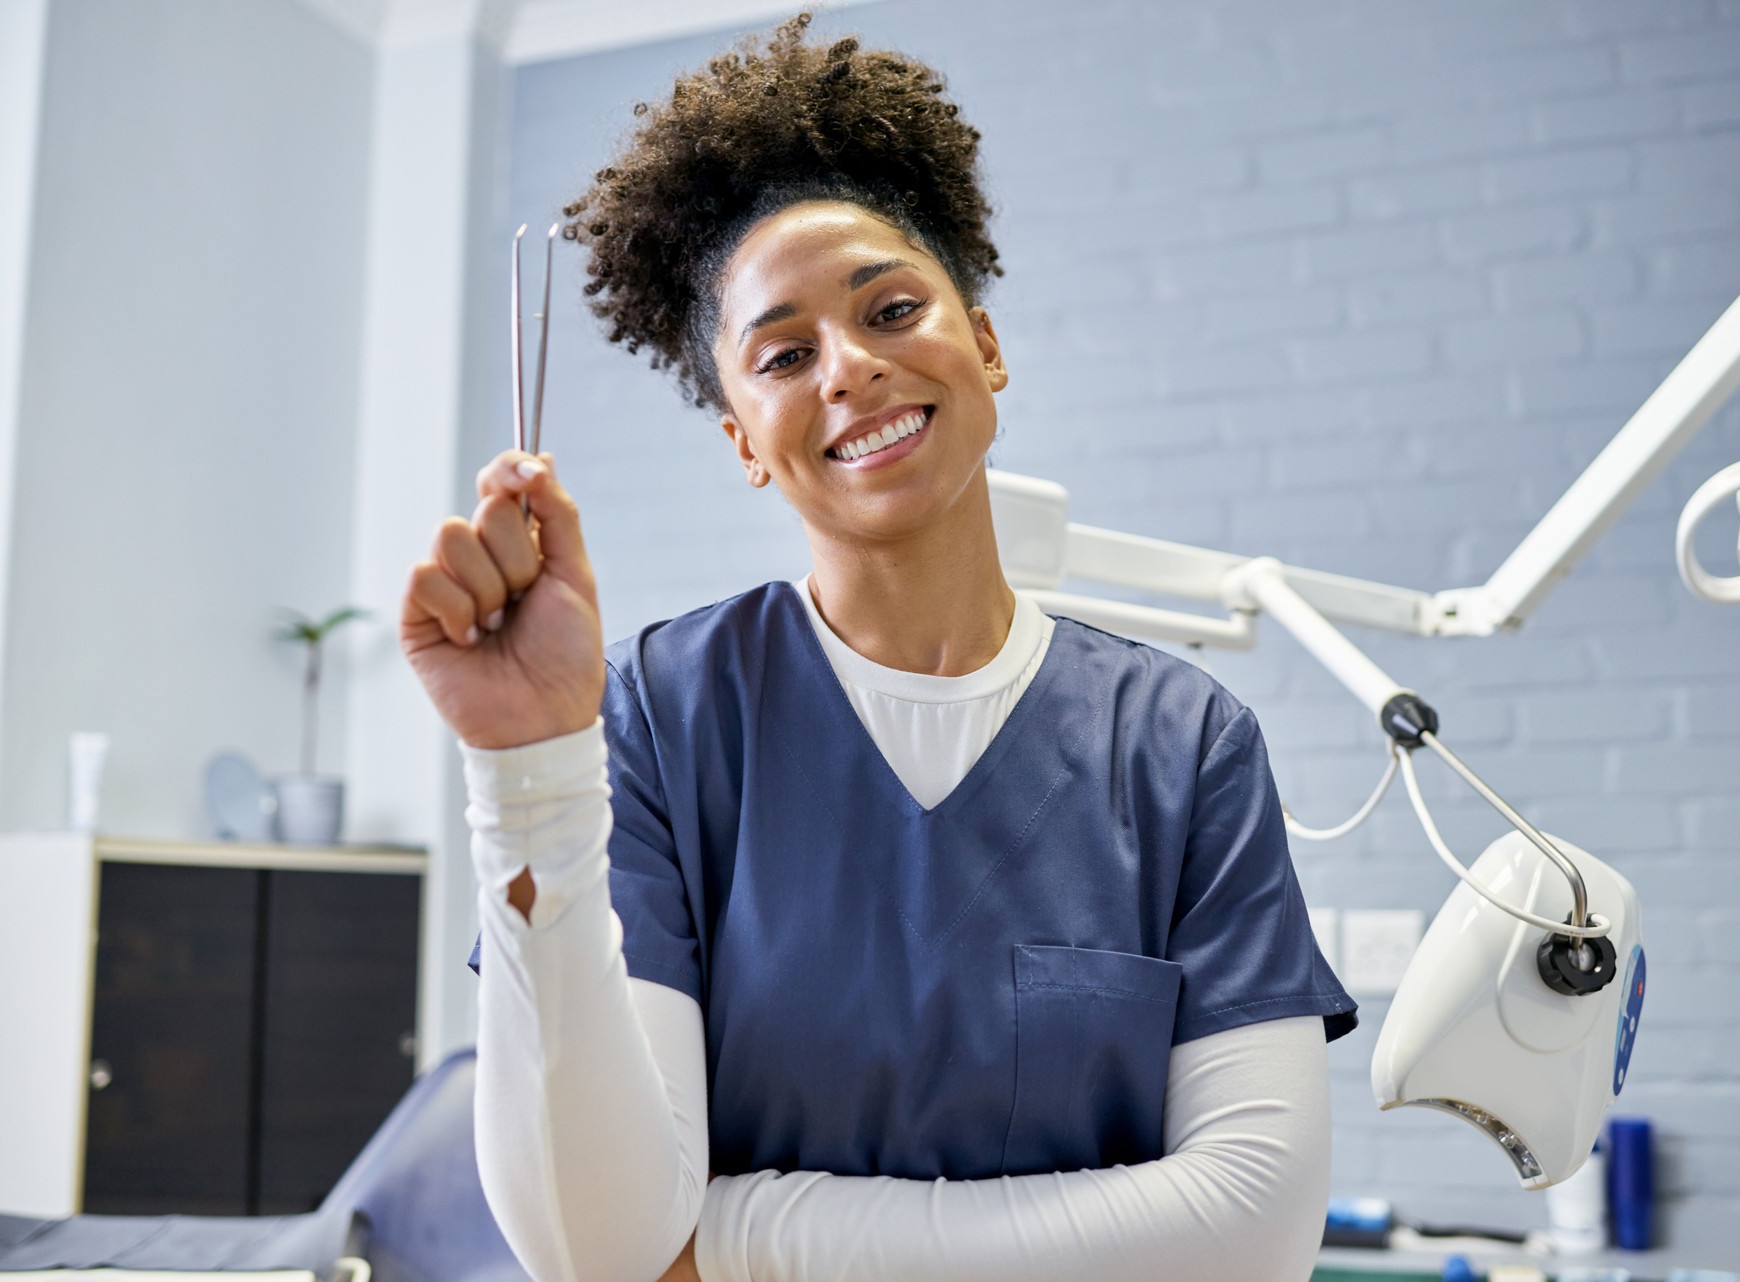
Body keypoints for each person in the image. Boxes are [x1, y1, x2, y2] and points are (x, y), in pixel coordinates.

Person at [400, 16, 1357, 1282]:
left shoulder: (1183, 745)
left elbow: (1255, 1228)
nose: (849, 368)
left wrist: (725, 1238)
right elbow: (599, 1245)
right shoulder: (655, 720)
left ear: (987, 347)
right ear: (745, 440)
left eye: (892, 308)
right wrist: (527, 776)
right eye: (785, 354)